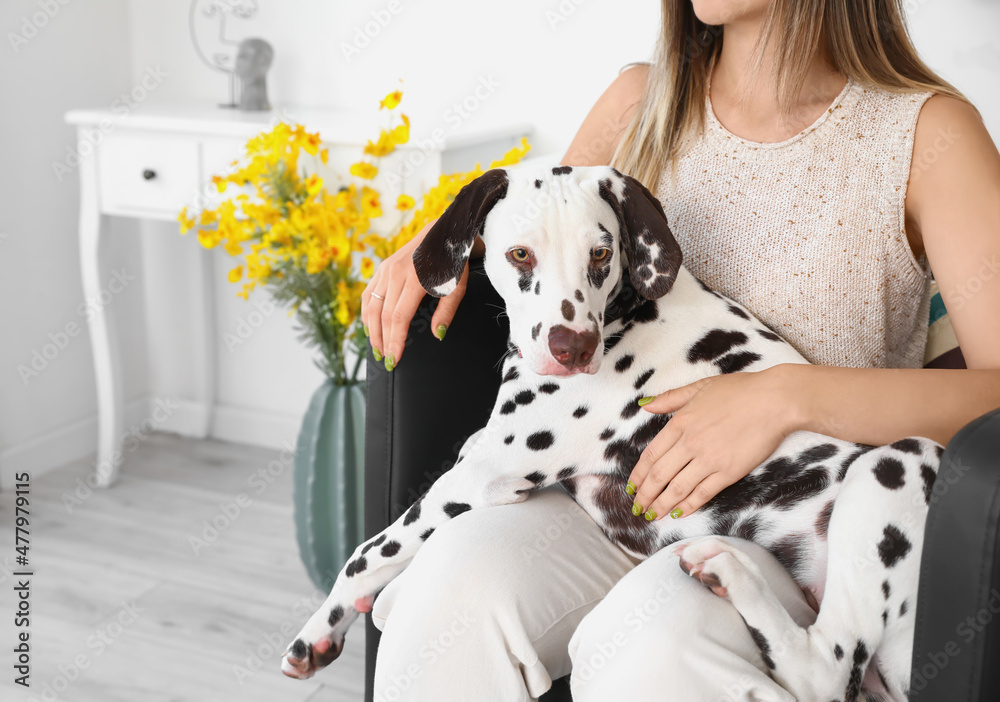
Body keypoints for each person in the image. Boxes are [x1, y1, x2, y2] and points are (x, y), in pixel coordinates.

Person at [359, 1, 1000, 699]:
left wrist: (787, 398)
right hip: (599, 503)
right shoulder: (639, 101)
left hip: (788, 533)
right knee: (449, 586)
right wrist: (443, 237)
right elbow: (546, 228)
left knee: (648, 643)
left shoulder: (928, 132)